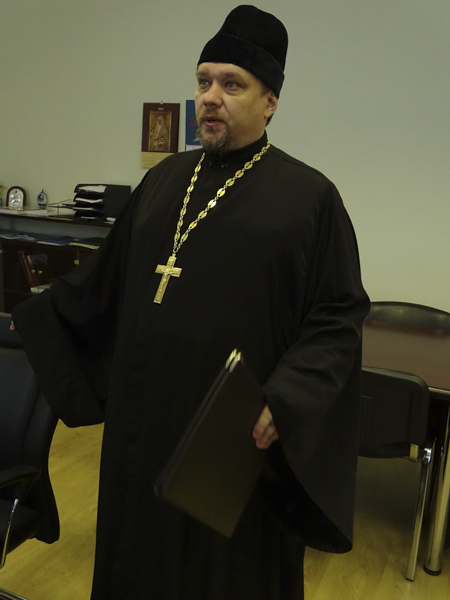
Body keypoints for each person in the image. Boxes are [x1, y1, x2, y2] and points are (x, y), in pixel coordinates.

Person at [12, 5, 370, 600]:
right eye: (204, 81)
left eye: (232, 84)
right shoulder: (163, 181)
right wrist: (27, 319)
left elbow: (338, 317)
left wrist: (288, 397)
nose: (210, 98)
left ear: (270, 101)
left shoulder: (310, 200)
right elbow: (99, 287)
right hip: (142, 425)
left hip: (230, 442)